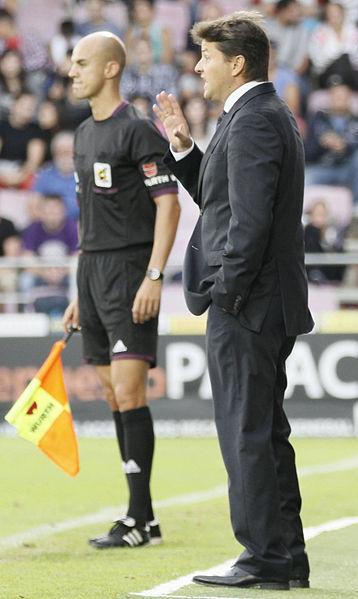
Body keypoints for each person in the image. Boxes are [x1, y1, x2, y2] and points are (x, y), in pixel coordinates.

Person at [154, 9, 313, 591]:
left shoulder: (252, 121)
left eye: (207, 58)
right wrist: (184, 149)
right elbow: (224, 200)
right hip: (265, 300)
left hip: (248, 304)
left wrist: (227, 295)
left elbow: (246, 225)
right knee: (266, 431)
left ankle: (261, 557)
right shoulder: (263, 115)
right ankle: (286, 557)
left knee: (245, 431)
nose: (198, 67)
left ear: (236, 62)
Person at [63, 31, 179, 548]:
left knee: (130, 391)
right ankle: (144, 517)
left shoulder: (137, 131)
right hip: (92, 274)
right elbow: (91, 219)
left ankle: (138, 518)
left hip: (132, 271)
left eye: (82, 63)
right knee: (111, 392)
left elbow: (169, 205)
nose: (72, 71)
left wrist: (154, 275)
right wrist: (77, 290)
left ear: (111, 69)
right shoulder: (83, 134)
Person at [304, 83, 358, 219]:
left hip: (348, 169)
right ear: (329, 98)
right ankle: (306, 214)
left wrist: (345, 146)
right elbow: (306, 152)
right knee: (303, 178)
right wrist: (322, 144)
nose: (340, 99)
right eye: (336, 96)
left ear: (350, 99)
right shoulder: (317, 119)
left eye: (343, 96)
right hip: (321, 168)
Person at [20, 194, 78, 316]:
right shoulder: (33, 228)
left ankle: (76, 313)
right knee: (25, 280)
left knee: (78, 279)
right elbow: (27, 258)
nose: (52, 215)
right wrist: (44, 272)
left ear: (63, 211)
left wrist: (61, 272)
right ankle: (27, 315)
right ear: (41, 212)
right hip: (40, 274)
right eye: (48, 211)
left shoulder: (72, 227)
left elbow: (77, 258)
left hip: (66, 273)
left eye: (55, 211)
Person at [32, 131, 79, 220]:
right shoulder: (45, 173)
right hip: (50, 226)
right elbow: (33, 205)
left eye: (69, 151)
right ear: (54, 154)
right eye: (61, 151)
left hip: (79, 226)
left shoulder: (86, 174)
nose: (65, 155)